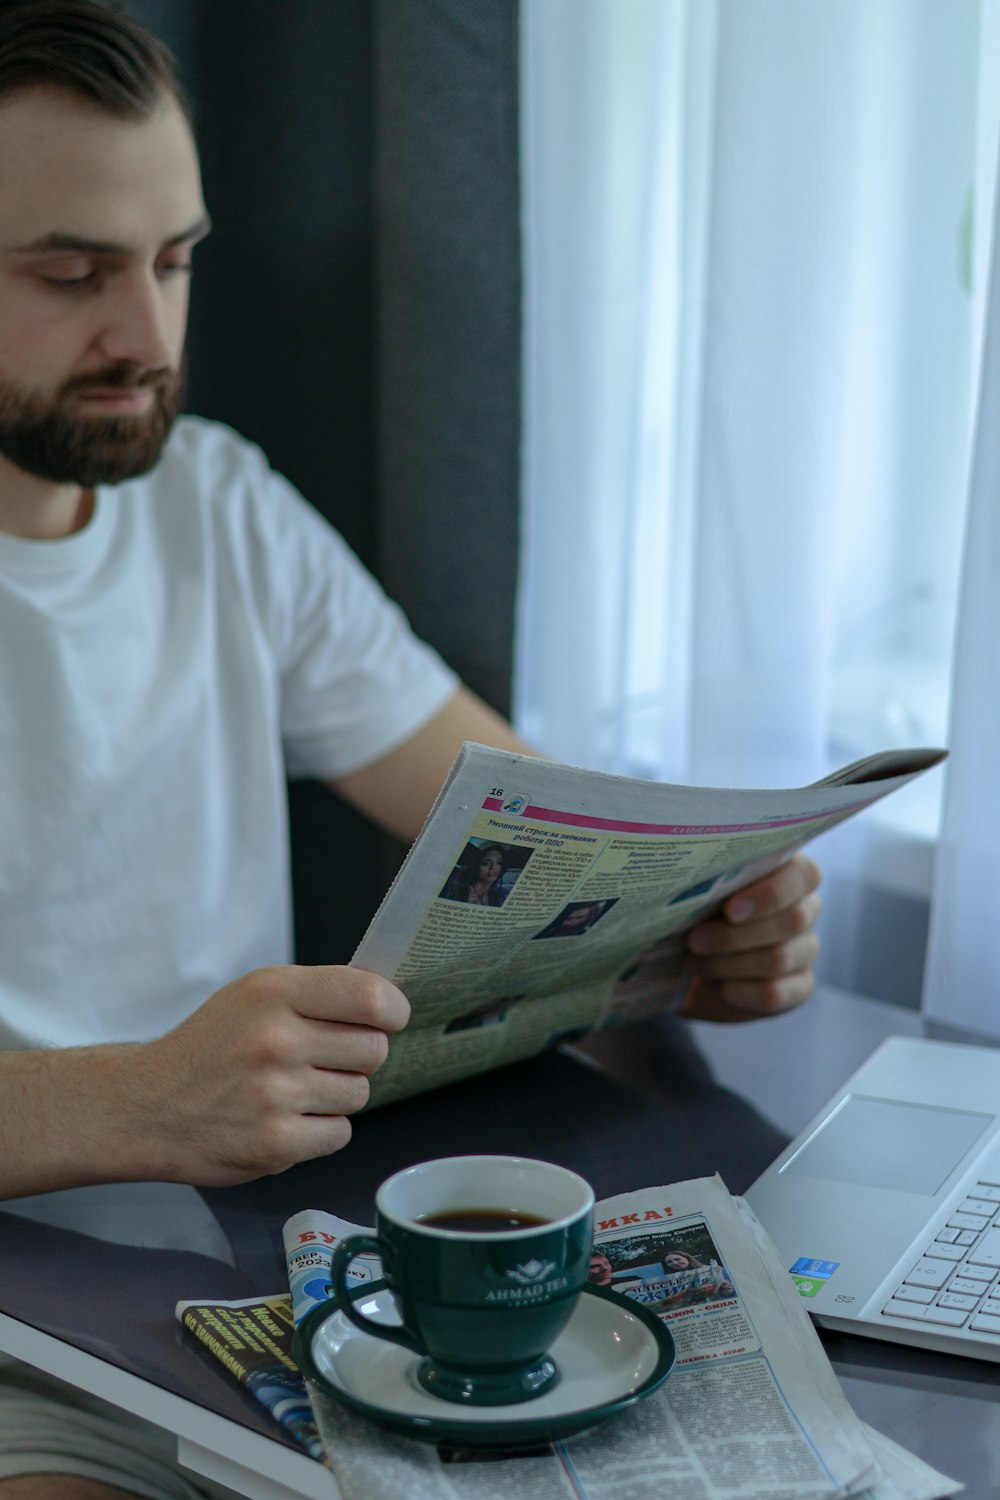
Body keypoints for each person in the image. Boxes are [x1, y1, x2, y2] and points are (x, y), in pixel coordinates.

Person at [0, 4, 821, 1494]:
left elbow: (529, 823)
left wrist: (701, 920)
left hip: (265, 1272)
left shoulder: (223, 506)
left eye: (175, 262)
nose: (147, 334)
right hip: (30, 1335)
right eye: (72, 275)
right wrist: (132, 1100)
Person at [439, 843, 510, 905]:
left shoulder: (499, 897)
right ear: (476, 866)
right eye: (486, 863)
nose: (493, 867)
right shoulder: (454, 891)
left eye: (499, 863)